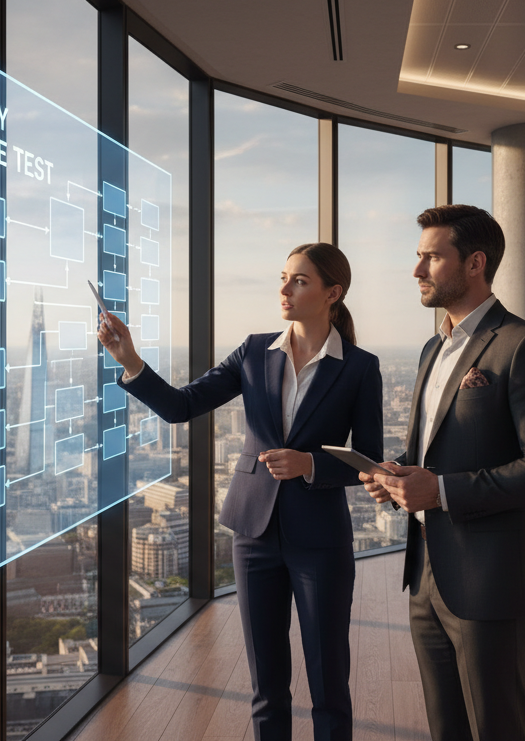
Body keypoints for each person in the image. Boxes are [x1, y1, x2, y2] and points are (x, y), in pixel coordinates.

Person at [98, 243, 382, 741]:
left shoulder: (360, 367)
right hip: (252, 534)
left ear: (332, 293)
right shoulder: (254, 351)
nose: (284, 289)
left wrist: (310, 463)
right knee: (266, 686)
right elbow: (182, 406)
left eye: (299, 281)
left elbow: (369, 462)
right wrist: (132, 361)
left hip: (320, 539)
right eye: (284, 277)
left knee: (329, 684)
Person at [359, 204, 525, 741]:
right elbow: (436, 454)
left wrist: (442, 491)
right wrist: (397, 479)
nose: (417, 271)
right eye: (418, 257)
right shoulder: (434, 347)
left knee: (495, 726)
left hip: (490, 576)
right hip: (426, 573)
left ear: (475, 263)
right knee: (445, 727)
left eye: (432, 257)